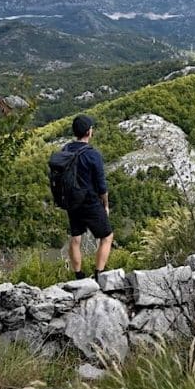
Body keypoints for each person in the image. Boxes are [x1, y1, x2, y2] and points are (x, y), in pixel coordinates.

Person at [64, 115, 114, 280]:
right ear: (88, 132)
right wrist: (105, 205)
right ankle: (99, 274)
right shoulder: (93, 155)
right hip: (89, 201)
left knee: (76, 238)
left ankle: (79, 276)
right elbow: (101, 185)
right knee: (107, 236)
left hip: (72, 201)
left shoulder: (65, 150)